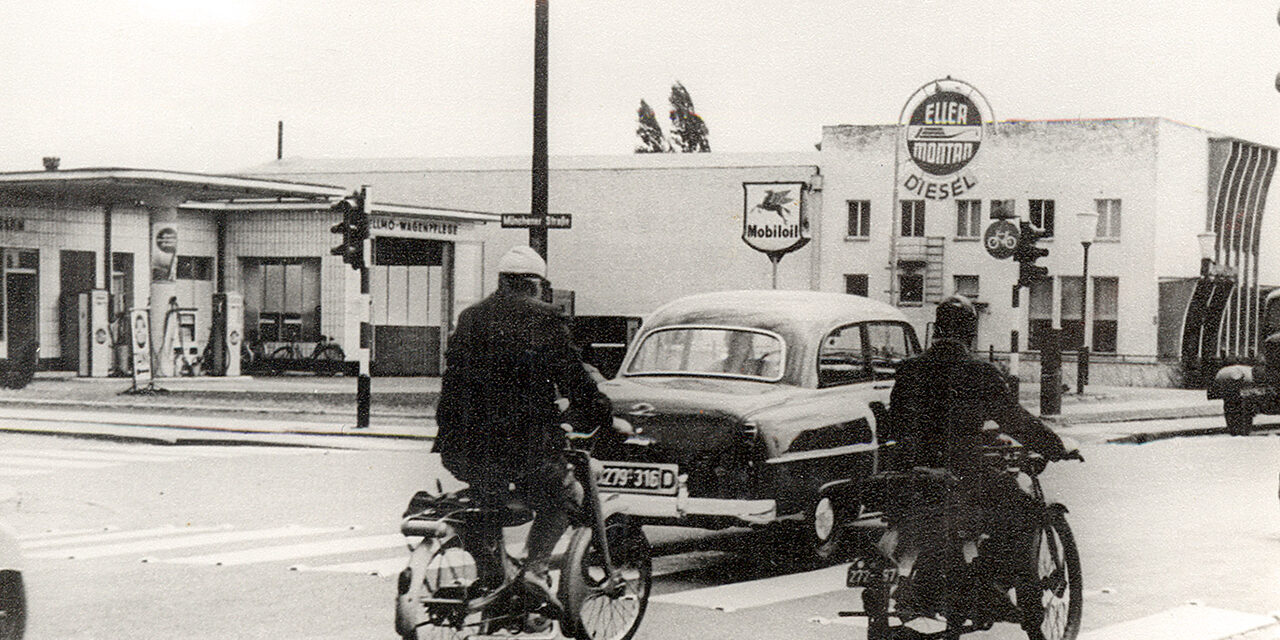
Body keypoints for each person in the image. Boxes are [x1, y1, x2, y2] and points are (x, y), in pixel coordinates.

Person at [432, 245, 612, 613]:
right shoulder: (545, 319)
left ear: (500, 281)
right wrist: (604, 417)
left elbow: (452, 379)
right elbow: (575, 380)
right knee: (565, 496)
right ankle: (535, 569)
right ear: (535, 285)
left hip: (459, 444)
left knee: (486, 502)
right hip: (523, 446)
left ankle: (493, 578)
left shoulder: (471, 317)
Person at [881, 294, 1069, 640]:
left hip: (912, 475)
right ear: (971, 333)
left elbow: (894, 424)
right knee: (1026, 511)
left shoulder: (908, 369)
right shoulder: (980, 372)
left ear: (936, 329)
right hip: (963, 473)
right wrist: (1054, 446)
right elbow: (1016, 421)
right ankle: (1017, 605)